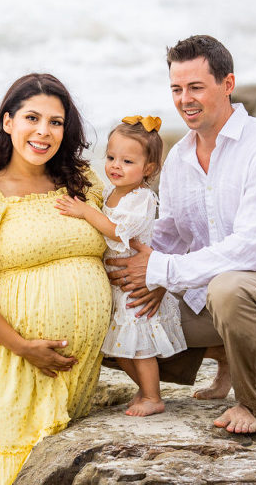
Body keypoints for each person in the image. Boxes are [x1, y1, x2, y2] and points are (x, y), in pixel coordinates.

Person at [106, 35, 256, 434]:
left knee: (230, 289)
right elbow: (169, 234)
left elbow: (251, 250)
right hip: (207, 290)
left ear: (227, 84)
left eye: (195, 87)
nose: (184, 99)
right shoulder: (178, 159)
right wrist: (146, 279)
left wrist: (163, 270)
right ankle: (226, 352)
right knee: (116, 318)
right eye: (176, 88)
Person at [0, 73, 112, 484]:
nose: (43, 131)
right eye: (32, 118)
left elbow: (119, 249)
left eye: (55, 122)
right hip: (12, 360)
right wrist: (24, 347)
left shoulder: (84, 184)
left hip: (77, 368)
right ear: (7, 122)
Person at [55, 115, 186, 417]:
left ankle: (153, 396)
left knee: (139, 345)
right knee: (119, 346)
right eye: (111, 157)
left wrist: (85, 211)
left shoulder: (141, 198)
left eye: (127, 161)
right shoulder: (111, 193)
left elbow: (117, 230)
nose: (115, 165)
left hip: (134, 284)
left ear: (148, 170)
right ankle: (144, 388)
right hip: (117, 285)